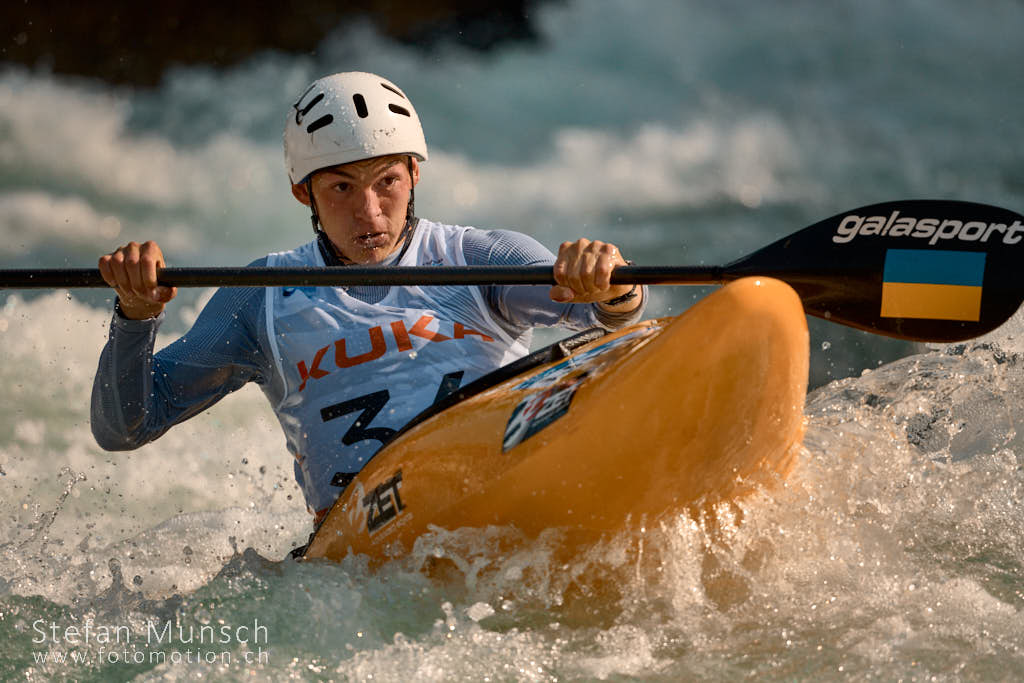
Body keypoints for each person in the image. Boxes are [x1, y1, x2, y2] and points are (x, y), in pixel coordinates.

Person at [91, 71, 646, 526]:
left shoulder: (479, 256)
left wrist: (609, 281)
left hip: (495, 489)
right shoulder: (259, 298)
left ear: (414, 174)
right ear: (302, 192)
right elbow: (124, 428)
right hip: (362, 547)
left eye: (387, 182)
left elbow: (607, 317)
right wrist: (136, 316)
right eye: (341, 188)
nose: (370, 212)